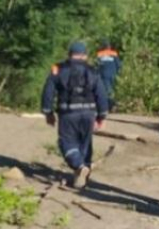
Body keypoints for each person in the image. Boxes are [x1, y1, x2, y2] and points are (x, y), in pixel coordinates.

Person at [41, 41, 109, 189]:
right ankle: (81, 178)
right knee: (85, 145)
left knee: (66, 142)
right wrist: (102, 116)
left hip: (68, 113)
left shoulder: (58, 69)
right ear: (85, 55)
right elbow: (101, 94)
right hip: (88, 114)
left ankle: (78, 166)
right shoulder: (93, 71)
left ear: (70, 54)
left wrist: (48, 112)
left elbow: (48, 91)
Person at [95, 39, 121, 111]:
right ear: (109, 46)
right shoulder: (114, 54)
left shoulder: (99, 54)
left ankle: (109, 106)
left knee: (107, 91)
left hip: (104, 75)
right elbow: (119, 65)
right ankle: (112, 105)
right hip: (114, 75)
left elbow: (97, 66)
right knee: (113, 91)